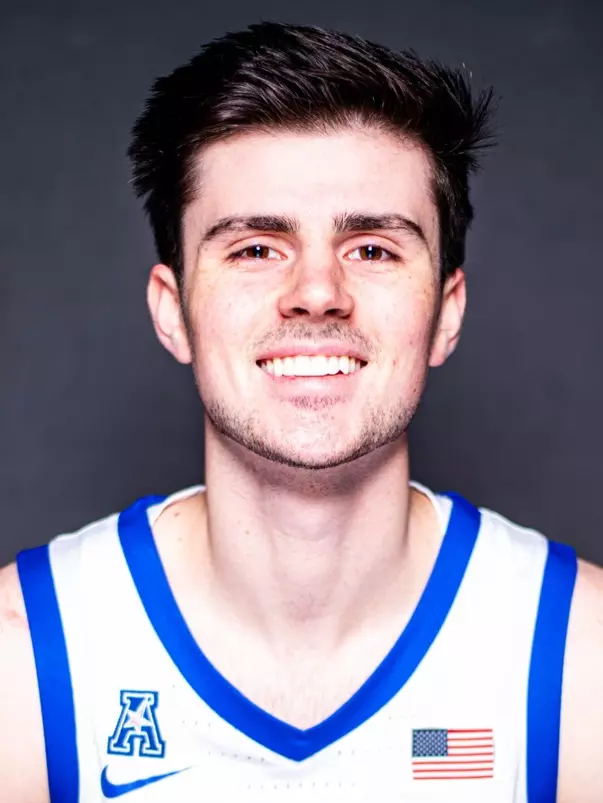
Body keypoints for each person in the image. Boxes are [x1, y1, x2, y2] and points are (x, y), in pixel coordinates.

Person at [0, 20, 601, 803]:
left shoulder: (578, 659)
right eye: (255, 247)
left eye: (373, 248)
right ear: (172, 310)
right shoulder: (25, 660)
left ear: (446, 312)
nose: (317, 290)